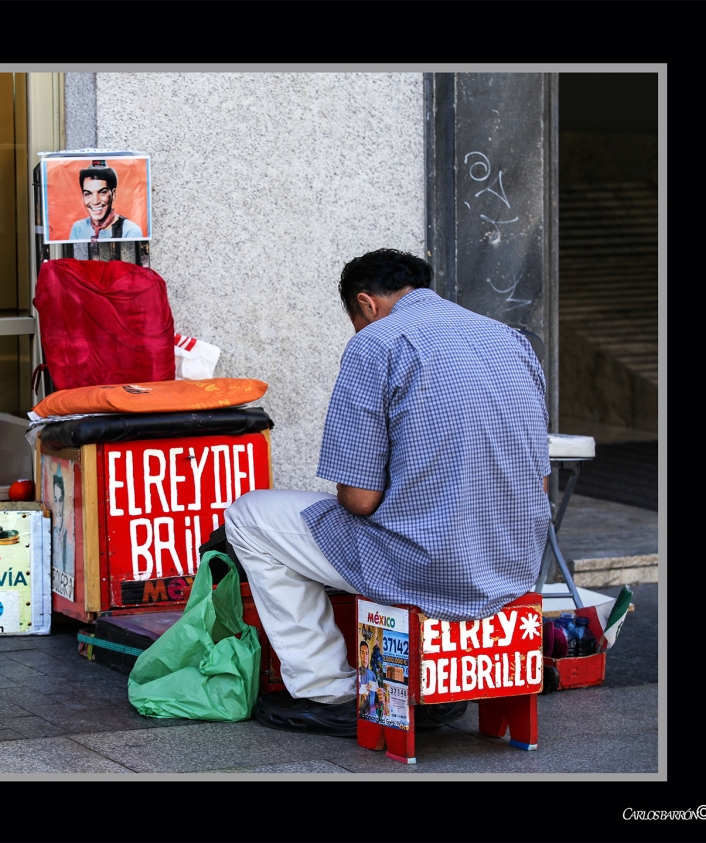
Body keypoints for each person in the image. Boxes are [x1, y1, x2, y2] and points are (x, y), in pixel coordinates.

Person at [222, 248, 551, 737]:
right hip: (513, 562)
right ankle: (429, 689)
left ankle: (327, 692)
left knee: (249, 517)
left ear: (366, 305)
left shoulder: (377, 342)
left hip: (426, 566)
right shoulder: (509, 339)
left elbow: (359, 500)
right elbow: (538, 482)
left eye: (356, 320)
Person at [67, 161, 144, 242]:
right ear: (83, 197)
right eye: (88, 194)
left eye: (102, 192)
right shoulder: (78, 228)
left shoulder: (130, 231)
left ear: (113, 194)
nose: (95, 201)